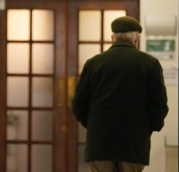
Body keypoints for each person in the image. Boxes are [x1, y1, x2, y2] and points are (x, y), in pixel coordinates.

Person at [72, 16, 169, 172]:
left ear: (112, 38)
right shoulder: (149, 64)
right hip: (134, 143)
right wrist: (149, 128)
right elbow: (159, 105)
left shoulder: (94, 64)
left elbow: (78, 105)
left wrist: (93, 125)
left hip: (100, 143)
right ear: (137, 38)